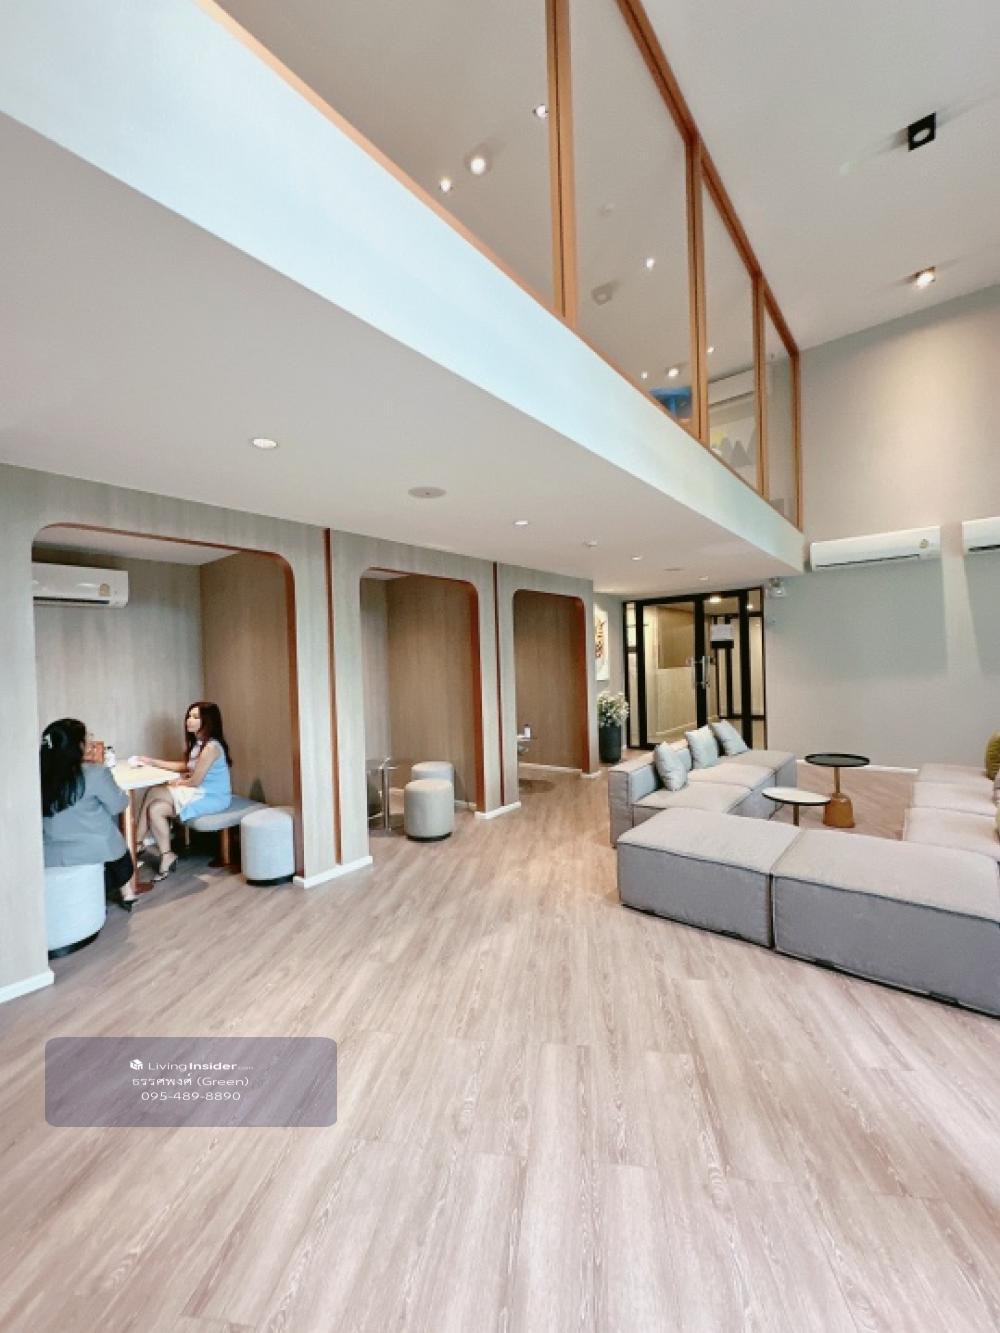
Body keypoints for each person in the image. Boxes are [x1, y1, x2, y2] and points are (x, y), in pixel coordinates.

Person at [40, 718, 136, 911]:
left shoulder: (38, 776)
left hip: (50, 857)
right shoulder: (95, 773)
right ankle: (125, 893)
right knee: (121, 860)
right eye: (87, 737)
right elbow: (119, 805)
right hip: (99, 857)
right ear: (77, 746)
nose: (91, 741)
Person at [135, 702, 233, 882]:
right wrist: (152, 761)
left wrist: (177, 782)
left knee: (154, 792)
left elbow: (195, 781)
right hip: (198, 791)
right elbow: (185, 766)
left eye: (195, 717)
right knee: (155, 808)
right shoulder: (199, 744)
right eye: (189, 716)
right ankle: (167, 855)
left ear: (208, 721)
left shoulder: (211, 747)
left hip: (211, 796)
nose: (189, 720)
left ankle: (137, 842)